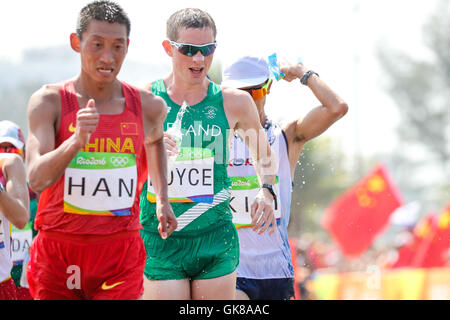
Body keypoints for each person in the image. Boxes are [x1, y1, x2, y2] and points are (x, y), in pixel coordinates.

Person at [25, 0, 176, 300]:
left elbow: (156, 140)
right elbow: (36, 179)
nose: (108, 57)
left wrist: (162, 199)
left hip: (119, 253)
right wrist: (75, 142)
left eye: (117, 46)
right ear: (76, 42)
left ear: (128, 47)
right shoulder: (49, 102)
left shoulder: (149, 107)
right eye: (97, 44)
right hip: (58, 252)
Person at [140, 8, 278, 300]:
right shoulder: (145, 101)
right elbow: (124, 163)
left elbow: (264, 156)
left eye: (207, 49)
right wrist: (147, 147)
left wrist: (266, 190)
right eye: (189, 50)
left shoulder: (234, 102)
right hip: (162, 238)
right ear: (169, 48)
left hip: (215, 237)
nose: (199, 59)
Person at [221, 55, 348, 300]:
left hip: (275, 274)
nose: (245, 100)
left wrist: (304, 73)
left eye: (253, 92)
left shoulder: (285, 136)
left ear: (268, 88)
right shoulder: (215, 138)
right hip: (231, 271)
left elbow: (337, 108)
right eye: (239, 92)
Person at [0, 120, 36, 300]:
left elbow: (22, 219)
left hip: (24, 282)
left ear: (24, 153)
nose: (5, 153)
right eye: (1, 148)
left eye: (11, 149)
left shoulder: (36, 195)